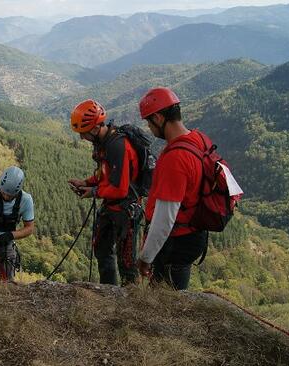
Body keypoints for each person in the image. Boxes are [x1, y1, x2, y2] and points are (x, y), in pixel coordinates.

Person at [136, 87, 210, 290]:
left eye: (149, 122)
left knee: (164, 304)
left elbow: (164, 218)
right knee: (177, 292)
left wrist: (146, 257)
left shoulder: (174, 158)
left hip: (175, 241)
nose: (149, 129)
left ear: (159, 118)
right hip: (195, 233)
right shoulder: (199, 139)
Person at [68, 99, 140, 286]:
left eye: (83, 133)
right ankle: (109, 293)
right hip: (111, 205)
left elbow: (120, 188)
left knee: (126, 264)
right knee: (101, 249)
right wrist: (86, 182)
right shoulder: (103, 142)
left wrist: (93, 191)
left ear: (93, 128)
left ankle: (130, 301)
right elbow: (105, 174)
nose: (82, 138)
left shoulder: (117, 145)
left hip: (126, 209)